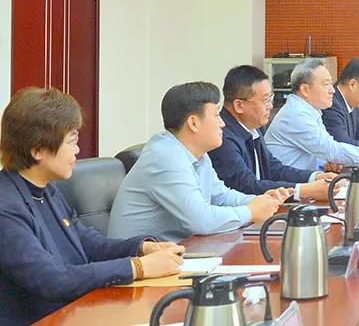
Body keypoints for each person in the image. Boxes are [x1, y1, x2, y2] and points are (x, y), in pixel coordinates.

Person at [0, 88, 185, 325]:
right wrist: (137, 268)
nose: (77, 150)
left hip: (75, 313)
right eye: (71, 142)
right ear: (37, 150)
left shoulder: (46, 189)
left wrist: (142, 248)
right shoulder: (6, 206)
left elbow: (89, 245)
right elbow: (51, 280)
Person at [108, 82, 284, 243]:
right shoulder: (165, 157)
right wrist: (251, 212)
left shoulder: (197, 153)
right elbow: (201, 220)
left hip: (178, 250)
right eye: (216, 115)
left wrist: (261, 201)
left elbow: (221, 197)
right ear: (193, 123)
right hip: (139, 260)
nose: (223, 123)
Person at [209, 65, 336, 200]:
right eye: (265, 100)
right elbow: (246, 186)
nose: (270, 106)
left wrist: (315, 177)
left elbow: (272, 168)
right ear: (239, 105)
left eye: (271, 98)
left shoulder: (254, 127)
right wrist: (303, 191)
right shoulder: (222, 137)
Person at [265, 58, 359, 172]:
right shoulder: (296, 115)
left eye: (331, 83)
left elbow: (316, 151)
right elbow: (332, 150)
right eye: (326, 84)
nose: (332, 90)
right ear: (305, 90)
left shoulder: (311, 110)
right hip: (286, 182)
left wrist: (324, 163)